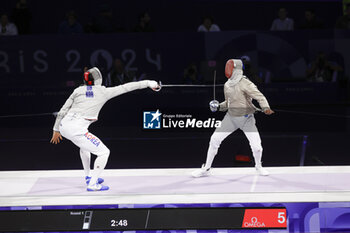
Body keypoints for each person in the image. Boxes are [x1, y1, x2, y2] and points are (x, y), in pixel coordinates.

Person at [50, 67, 160, 191]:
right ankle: (92, 184)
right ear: (98, 80)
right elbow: (127, 87)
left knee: (84, 146)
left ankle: (88, 177)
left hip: (64, 126)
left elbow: (62, 111)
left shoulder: (78, 90)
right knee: (103, 152)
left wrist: (56, 129)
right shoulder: (103, 92)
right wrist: (149, 83)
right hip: (76, 130)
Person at [192, 59, 274, 178]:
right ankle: (206, 168)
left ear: (236, 70)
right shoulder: (227, 84)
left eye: (230, 68)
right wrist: (218, 106)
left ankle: (258, 166)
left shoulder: (246, 83)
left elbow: (260, 97)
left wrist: (266, 108)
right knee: (214, 139)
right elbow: (228, 103)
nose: (228, 70)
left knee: (257, 147)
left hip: (247, 120)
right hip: (230, 118)